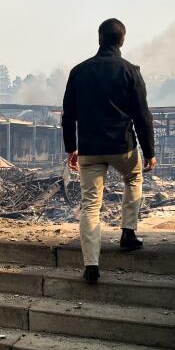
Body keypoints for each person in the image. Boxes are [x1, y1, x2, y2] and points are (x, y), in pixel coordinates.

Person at [61, 18, 156, 284]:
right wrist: (149, 151)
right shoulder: (130, 71)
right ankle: (128, 233)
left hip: (90, 150)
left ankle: (91, 265)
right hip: (122, 147)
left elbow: (68, 115)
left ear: (99, 38)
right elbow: (142, 116)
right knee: (134, 178)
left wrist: (71, 148)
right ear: (122, 40)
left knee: (90, 206)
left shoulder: (78, 72)